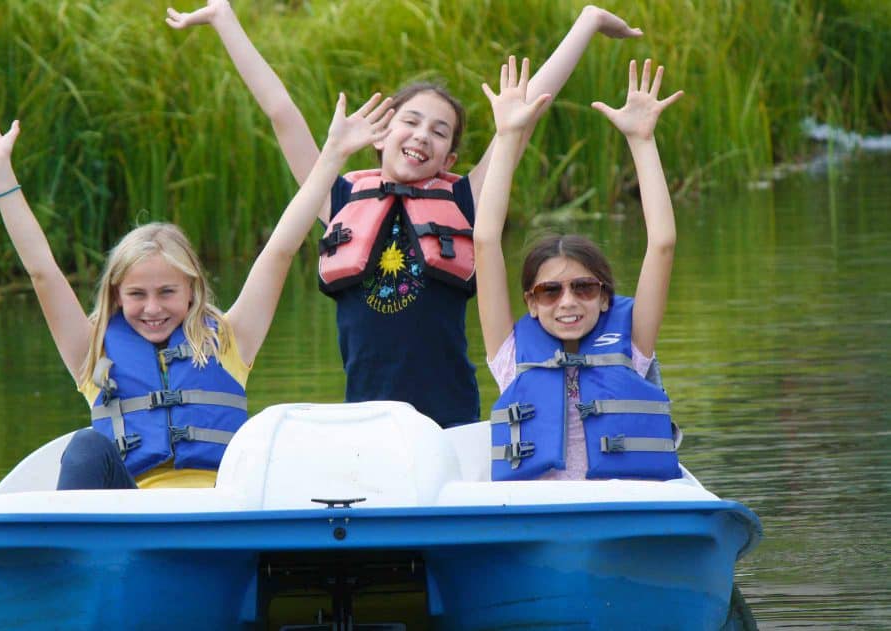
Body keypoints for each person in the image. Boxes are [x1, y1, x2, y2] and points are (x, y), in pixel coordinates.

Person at [165, 1, 643, 428]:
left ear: (449, 160)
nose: (421, 136)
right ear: (380, 134)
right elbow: (281, 112)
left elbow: (522, 120)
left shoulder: (462, 200)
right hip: (366, 418)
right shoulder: (336, 196)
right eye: (410, 122)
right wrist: (225, 18)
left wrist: (588, 22)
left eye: (439, 132)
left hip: (450, 417)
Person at [0, 93, 395, 489]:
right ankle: (80, 564)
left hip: (219, 517)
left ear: (192, 290)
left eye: (167, 292)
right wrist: (0, 172)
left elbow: (280, 250)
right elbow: (42, 272)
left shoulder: (228, 338)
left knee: (281, 428)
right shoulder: (90, 348)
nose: (152, 308)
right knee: (85, 448)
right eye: (136, 295)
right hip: (132, 517)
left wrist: (332, 154)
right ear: (116, 294)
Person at [474, 58, 684, 481]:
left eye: (584, 288)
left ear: (604, 296)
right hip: (542, 509)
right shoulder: (510, 356)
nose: (568, 302)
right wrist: (508, 135)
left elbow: (661, 244)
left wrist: (642, 141)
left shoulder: (632, 343)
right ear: (532, 302)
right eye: (550, 291)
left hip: (616, 507)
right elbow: (484, 241)